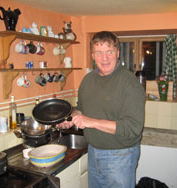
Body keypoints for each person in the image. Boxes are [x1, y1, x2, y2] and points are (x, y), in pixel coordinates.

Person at [56, 31, 145, 188]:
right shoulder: (88, 80)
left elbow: (133, 128)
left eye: (109, 52)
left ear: (117, 53)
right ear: (92, 55)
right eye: (99, 52)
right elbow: (81, 108)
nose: (104, 58)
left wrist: (92, 122)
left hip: (120, 155)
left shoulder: (129, 82)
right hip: (94, 152)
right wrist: (70, 119)